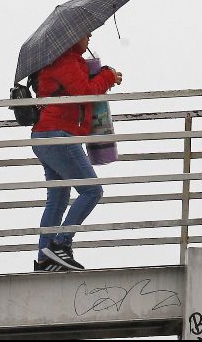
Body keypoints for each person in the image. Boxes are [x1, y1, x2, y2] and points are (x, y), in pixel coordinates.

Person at [30, 33, 122, 272]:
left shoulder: (63, 62)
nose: (90, 35)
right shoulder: (66, 62)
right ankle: (61, 244)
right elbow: (86, 92)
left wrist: (100, 75)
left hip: (46, 135)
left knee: (58, 200)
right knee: (92, 190)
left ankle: (45, 258)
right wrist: (107, 76)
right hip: (57, 135)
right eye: (86, 32)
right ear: (72, 37)